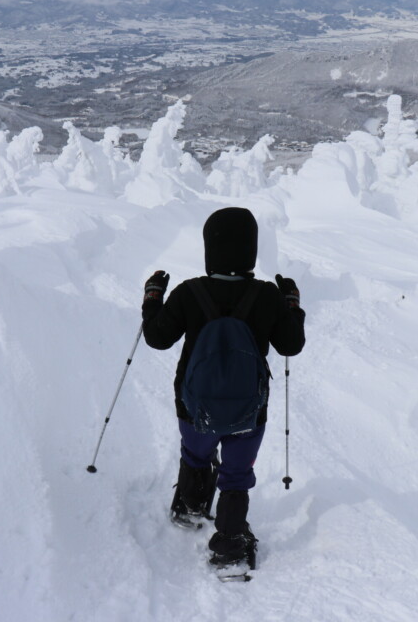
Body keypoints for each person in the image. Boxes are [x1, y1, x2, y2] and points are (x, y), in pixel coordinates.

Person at [141, 206, 305, 570]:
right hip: (250, 409)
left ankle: (189, 507)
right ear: (251, 249)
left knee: (196, 453)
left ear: (208, 248)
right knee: (235, 473)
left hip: (194, 406)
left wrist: (153, 296)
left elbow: (156, 338)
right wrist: (291, 303)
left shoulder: (189, 293)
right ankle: (230, 546)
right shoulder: (266, 296)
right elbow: (291, 345)